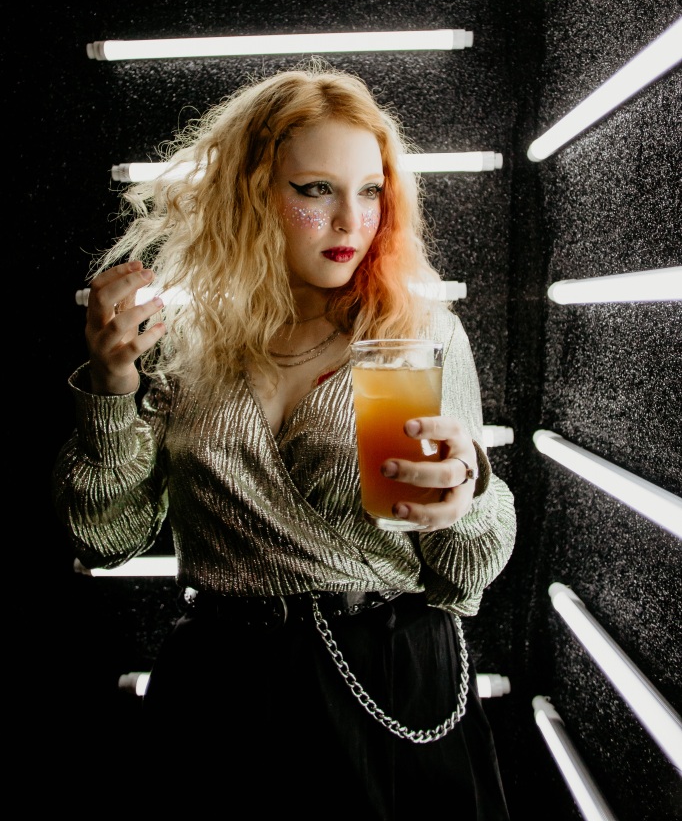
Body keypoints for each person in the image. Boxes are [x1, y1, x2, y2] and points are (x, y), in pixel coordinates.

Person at [52, 62, 516, 819]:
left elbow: (469, 571)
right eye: (316, 189)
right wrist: (111, 383)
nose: (351, 221)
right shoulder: (183, 344)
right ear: (253, 193)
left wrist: (467, 499)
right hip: (219, 686)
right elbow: (105, 537)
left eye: (371, 191)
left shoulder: (417, 334)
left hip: (387, 676)